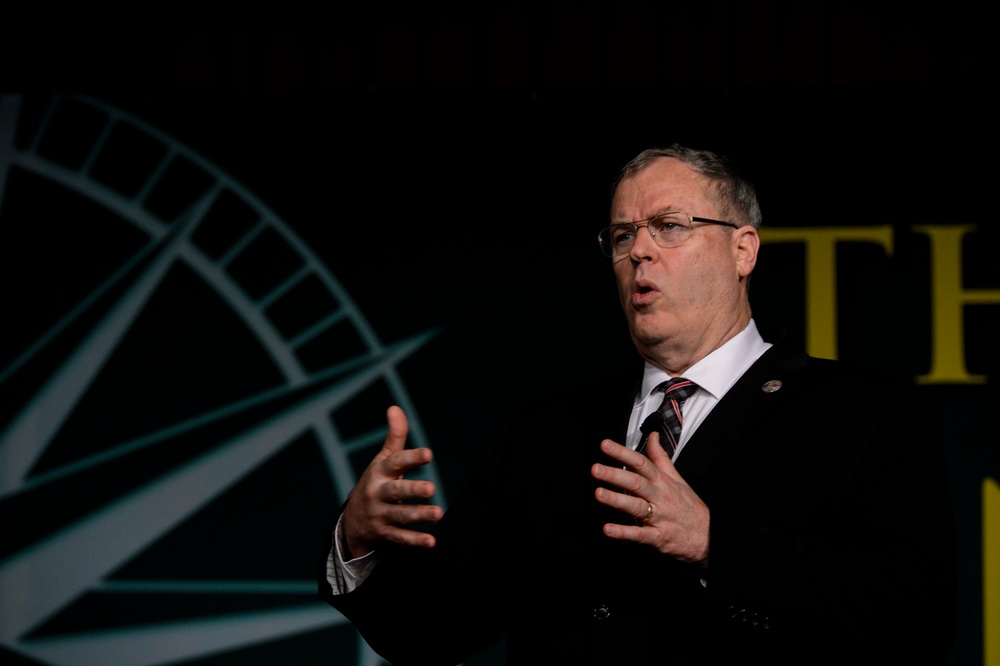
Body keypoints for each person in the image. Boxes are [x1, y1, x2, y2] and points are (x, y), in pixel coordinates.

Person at [318, 144, 957, 665]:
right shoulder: (547, 433)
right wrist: (359, 542)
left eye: (669, 227)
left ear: (743, 250)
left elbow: (915, 619)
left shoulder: (865, 414)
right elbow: (433, 632)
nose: (639, 251)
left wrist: (715, 544)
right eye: (623, 235)